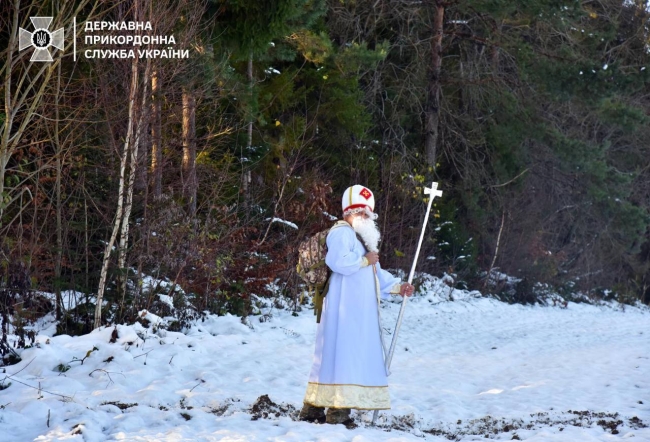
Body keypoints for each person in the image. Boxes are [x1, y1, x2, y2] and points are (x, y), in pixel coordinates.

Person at [299, 184, 415, 425]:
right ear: (348, 212)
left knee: (341, 356)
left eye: (368, 214)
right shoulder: (341, 233)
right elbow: (337, 261)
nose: (365, 217)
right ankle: (336, 412)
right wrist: (364, 260)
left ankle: (316, 409)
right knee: (340, 356)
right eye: (361, 212)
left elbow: (376, 274)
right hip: (342, 309)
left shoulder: (362, 239)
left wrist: (397, 287)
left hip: (357, 311)